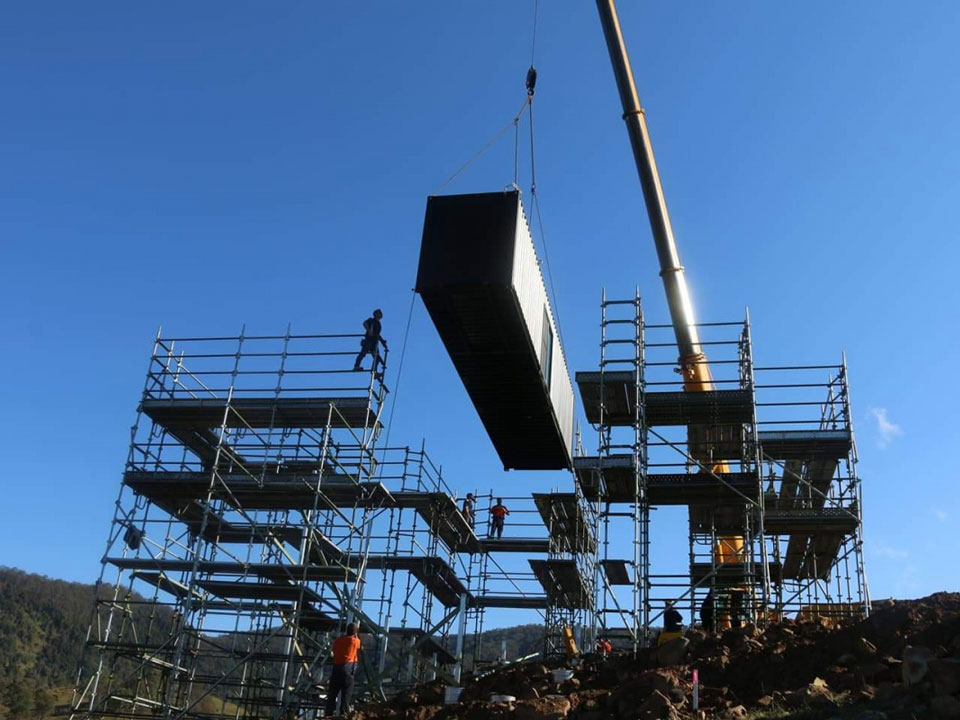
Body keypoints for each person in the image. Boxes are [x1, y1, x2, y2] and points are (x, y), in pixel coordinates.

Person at [325, 623, 361, 716]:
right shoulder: (354, 641)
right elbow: (359, 645)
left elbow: (334, 650)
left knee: (332, 694)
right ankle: (343, 713)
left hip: (336, 669)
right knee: (346, 693)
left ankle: (328, 713)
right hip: (348, 670)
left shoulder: (338, 641)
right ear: (355, 632)